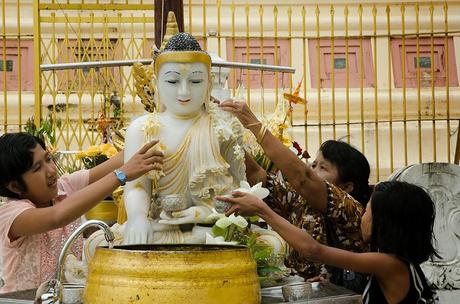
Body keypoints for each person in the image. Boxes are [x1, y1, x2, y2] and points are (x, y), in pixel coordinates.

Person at [220, 100, 371, 291]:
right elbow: (257, 176)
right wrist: (223, 133)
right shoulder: (299, 199)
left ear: (347, 186)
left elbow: (303, 178)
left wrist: (254, 125)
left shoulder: (352, 211)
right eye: (313, 164)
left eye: (322, 167)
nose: (311, 169)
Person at [217, 181, 438, 303]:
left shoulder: (389, 264)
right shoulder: (398, 265)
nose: (362, 216)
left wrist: (261, 210)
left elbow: (313, 250)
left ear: (383, 223)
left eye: (368, 210)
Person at [122, 32, 246, 244]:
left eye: (196, 80)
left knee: (272, 244)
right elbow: (136, 187)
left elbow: (239, 188)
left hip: (209, 230)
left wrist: (204, 214)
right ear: (157, 82)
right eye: (172, 80)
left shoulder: (224, 127)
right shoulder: (143, 129)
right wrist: (137, 217)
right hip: (160, 226)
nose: (184, 91)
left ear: (208, 82)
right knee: (99, 242)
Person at [0, 132, 163, 293]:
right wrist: (122, 174)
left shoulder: (64, 188)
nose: (50, 171)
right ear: (15, 186)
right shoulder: (12, 214)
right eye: (37, 168)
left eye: (48, 159)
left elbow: (119, 161)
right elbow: (58, 216)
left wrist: (154, 130)